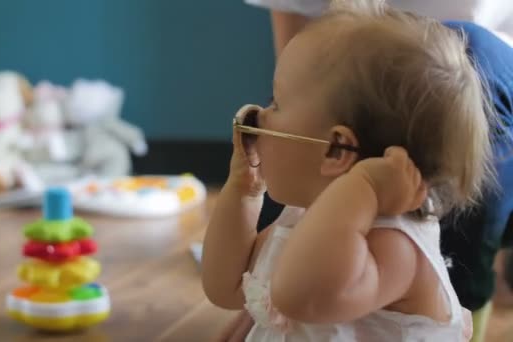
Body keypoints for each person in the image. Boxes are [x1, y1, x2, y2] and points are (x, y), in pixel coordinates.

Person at [202, 0, 504, 340]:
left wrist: (363, 189)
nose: (261, 115)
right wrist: (243, 192)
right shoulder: (305, 218)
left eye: (277, 103)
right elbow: (224, 288)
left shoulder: (393, 245)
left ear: (335, 149)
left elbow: (297, 296)